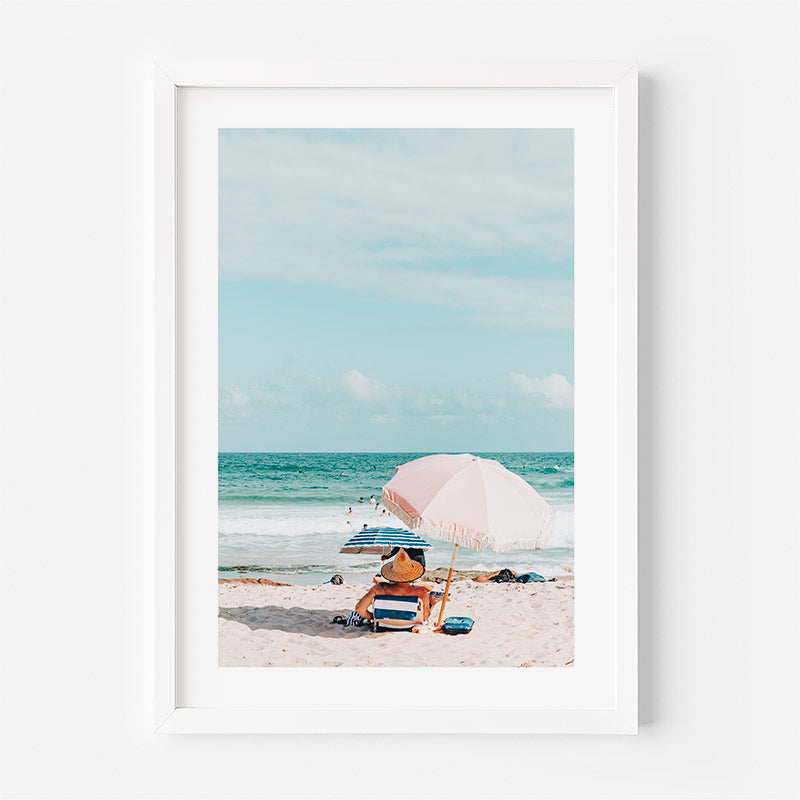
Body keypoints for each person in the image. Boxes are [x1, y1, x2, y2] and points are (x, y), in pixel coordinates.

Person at [353, 549, 431, 623]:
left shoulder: (379, 589)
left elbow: (359, 609)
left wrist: (373, 617)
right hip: (409, 626)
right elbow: (425, 617)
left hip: (383, 625)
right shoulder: (421, 592)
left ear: (392, 572)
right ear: (411, 574)